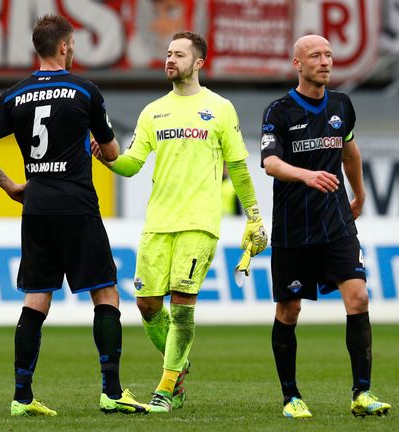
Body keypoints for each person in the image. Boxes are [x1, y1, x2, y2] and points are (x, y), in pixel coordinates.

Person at [0, 14, 148, 417]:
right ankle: (112, 391)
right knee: (105, 292)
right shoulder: (85, 90)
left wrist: (12, 186)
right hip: (77, 206)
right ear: (65, 47)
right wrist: (99, 148)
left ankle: (21, 397)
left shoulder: (15, 94)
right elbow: (114, 153)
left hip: (36, 208)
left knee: (36, 299)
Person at [92, 31, 268, 414]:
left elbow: (238, 167)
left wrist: (254, 215)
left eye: (179, 55)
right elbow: (132, 164)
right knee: (147, 304)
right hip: (158, 222)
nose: (170, 60)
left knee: (184, 305)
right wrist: (106, 158)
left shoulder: (220, 108)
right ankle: (180, 362)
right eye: (168, 54)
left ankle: (167, 387)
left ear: (199, 62)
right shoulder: (152, 111)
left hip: (199, 222)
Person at [259, 35, 392, 419]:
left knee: (359, 298)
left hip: (336, 224)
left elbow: (349, 150)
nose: (325, 61)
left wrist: (360, 194)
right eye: (316, 55)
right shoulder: (279, 111)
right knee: (289, 310)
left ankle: (362, 394)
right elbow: (271, 164)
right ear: (297, 63)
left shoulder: (341, 105)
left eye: (329, 55)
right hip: (293, 229)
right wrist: (307, 176)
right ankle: (291, 397)